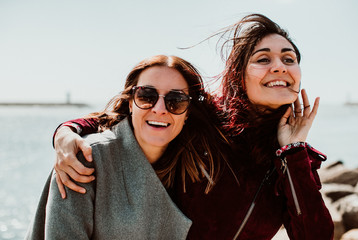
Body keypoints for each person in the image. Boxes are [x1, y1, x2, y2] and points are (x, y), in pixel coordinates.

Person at [48, 14, 334, 239]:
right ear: (239, 74)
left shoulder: (291, 159)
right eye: (263, 59)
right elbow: (127, 116)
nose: (280, 67)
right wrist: (66, 132)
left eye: (289, 59)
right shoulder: (206, 119)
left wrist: (293, 151)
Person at [26, 55, 231, 239]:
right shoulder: (86, 157)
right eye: (146, 96)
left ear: (187, 112)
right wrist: (64, 131)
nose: (159, 109)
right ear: (131, 103)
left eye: (175, 101)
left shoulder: (199, 169)